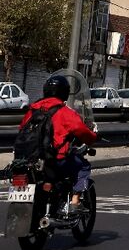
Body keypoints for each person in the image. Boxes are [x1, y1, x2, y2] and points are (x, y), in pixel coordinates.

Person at [19, 75, 97, 215]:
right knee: (83, 166)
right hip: (55, 159)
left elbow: (21, 130)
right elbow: (81, 131)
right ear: (64, 92)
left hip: (30, 160)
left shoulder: (32, 110)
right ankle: (75, 202)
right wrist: (92, 137)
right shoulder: (65, 112)